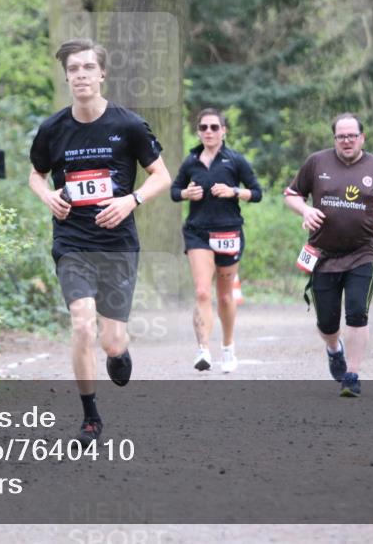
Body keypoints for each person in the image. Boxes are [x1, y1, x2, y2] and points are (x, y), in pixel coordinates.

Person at [29, 38, 171, 443]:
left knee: (110, 341)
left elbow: (161, 176)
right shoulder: (53, 129)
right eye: (74, 69)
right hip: (72, 241)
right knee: (82, 325)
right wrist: (48, 196)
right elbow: (36, 175)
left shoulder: (127, 125)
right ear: (67, 76)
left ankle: (119, 351)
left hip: (117, 243)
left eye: (88, 68)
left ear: (102, 73)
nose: (81, 76)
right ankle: (90, 417)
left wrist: (132, 200)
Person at [283, 113, 373, 397]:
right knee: (327, 322)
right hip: (323, 255)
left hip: (362, 254)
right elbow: (291, 194)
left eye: (352, 135)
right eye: (341, 136)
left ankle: (352, 374)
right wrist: (305, 210)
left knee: (356, 313)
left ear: (362, 137)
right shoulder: (317, 162)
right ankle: (333, 348)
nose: (347, 140)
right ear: (335, 139)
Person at [171, 108, 262, 373]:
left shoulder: (235, 160)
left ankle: (228, 347)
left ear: (224, 131)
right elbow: (174, 191)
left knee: (224, 297)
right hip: (197, 232)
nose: (208, 132)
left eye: (214, 127)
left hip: (228, 232)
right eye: (203, 128)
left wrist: (234, 191)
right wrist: (186, 193)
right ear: (198, 131)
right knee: (201, 291)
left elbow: (257, 192)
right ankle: (203, 350)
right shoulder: (191, 161)